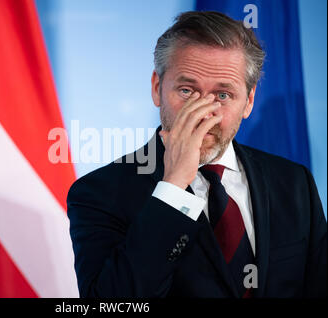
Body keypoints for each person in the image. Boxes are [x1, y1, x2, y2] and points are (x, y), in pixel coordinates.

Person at [66, 11, 327, 298]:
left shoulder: (294, 182)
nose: (204, 114)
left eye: (223, 95)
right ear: (157, 88)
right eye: (188, 91)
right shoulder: (98, 193)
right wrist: (173, 186)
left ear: (249, 101)